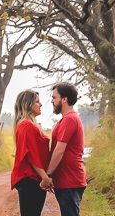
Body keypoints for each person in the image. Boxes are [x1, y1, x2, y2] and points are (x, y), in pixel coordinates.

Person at [45, 81, 86, 216]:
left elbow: (59, 150)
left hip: (70, 180)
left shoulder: (70, 119)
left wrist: (48, 175)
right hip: (66, 181)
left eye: (54, 97)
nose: (52, 101)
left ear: (64, 99)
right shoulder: (66, 119)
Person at [11, 89, 53, 216]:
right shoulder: (26, 125)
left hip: (34, 179)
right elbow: (31, 155)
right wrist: (45, 177)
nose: (40, 104)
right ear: (28, 105)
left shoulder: (30, 125)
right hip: (30, 179)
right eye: (37, 102)